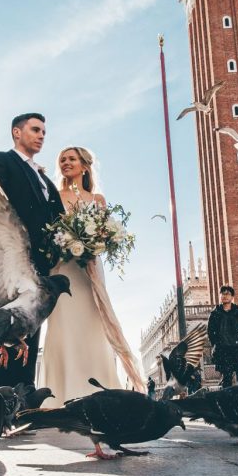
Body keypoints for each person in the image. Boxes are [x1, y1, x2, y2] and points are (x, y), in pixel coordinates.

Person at [41, 146, 146, 405]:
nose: (66, 163)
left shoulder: (97, 199)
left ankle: (98, 394)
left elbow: (104, 233)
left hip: (89, 271)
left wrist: (97, 243)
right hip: (63, 269)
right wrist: (65, 242)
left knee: (91, 325)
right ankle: (59, 396)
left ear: (84, 166)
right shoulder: (54, 195)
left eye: (71, 159)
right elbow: (48, 233)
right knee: (63, 324)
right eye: (62, 159)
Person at [0, 113, 66, 386]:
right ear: (17, 133)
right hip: (11, 263)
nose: (42, 135)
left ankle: (23, 398)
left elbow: (58, 218)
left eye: (44, 131)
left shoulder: (45, 179)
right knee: (4, 326)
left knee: (30, 329)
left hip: (41, 265)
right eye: (36, 129)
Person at [208, 285, 238, 387]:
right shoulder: (215, 314)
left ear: (232, 297)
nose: (225, 296)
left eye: (227, 294)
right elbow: (210, 332)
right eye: (223, 293)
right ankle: (227, 402)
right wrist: (216, 344)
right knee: (226, 379)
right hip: (223, 350)